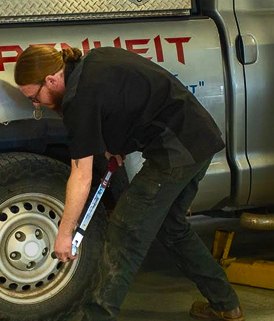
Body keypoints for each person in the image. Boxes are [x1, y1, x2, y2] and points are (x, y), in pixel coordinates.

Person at [13, 45, 243, 321]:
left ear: (50, 80)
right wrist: (120, 143)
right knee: (171, 227)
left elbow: (82, 175)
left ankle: (95, 317)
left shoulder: (79, 99)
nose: (36, 105)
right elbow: (133, 102)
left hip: (177, 151)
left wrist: (65, 232)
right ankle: (225, 304)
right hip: (199, 138)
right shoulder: (94, 60)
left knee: (125, 231)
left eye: (34, 97)